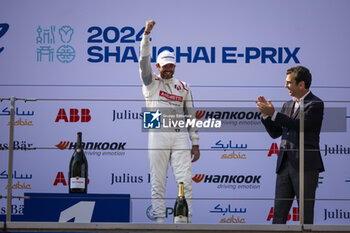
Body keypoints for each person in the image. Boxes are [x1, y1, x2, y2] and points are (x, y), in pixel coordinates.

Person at [139, 20, 200, 223]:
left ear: (175, 66)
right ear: (158, 66)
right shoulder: (151, 82)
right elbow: (142, 62)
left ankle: (185, 221)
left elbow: (190, 115)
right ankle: (158, 223)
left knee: (186, 181)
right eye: (165, 66)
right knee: (158, 182)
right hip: (156, 132)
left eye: (171, 66)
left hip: (179, 134)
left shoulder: (183, 86)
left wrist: (196, 143)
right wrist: (146, 36)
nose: (168, 70)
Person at [256, 66, 324, 224]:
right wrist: (266, 116)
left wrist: (274, 114)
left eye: (288, 82)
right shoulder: (287, 105)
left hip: (306, 166)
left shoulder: (316, 104)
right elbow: (276, 133)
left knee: (305, 218)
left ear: (301, 84)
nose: (285, 86)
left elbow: (301, 126)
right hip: (284, 166)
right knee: (278, 217)